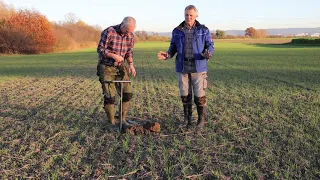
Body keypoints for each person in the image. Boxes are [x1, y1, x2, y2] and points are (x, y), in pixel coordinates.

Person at [157, 5, 214, 130]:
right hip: (182, 67)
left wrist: (208, 53)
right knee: (185, 95)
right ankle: (187, 120)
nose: (188, 17)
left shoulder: (203, 30)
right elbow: (173, 48)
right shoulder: (177, 31)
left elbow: (210, 45)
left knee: (199, 96)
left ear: (196, 16)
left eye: (191, 15)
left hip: (198, 67)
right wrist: (167, 55)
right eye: (186, 15)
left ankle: (201, 120)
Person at [97, 16, 137, 128]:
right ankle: (112, 122)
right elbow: (100, 49)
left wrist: (131, 65)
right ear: (122, 24)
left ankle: (123, 120)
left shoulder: (130, 36)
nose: (128, 33)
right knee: (110, 97)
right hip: (106, 67)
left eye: (131, 31)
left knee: (127, 94)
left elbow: (129, 52)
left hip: (120, 67)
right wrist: (113, 56)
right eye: (126, 30)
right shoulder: (109, 32)